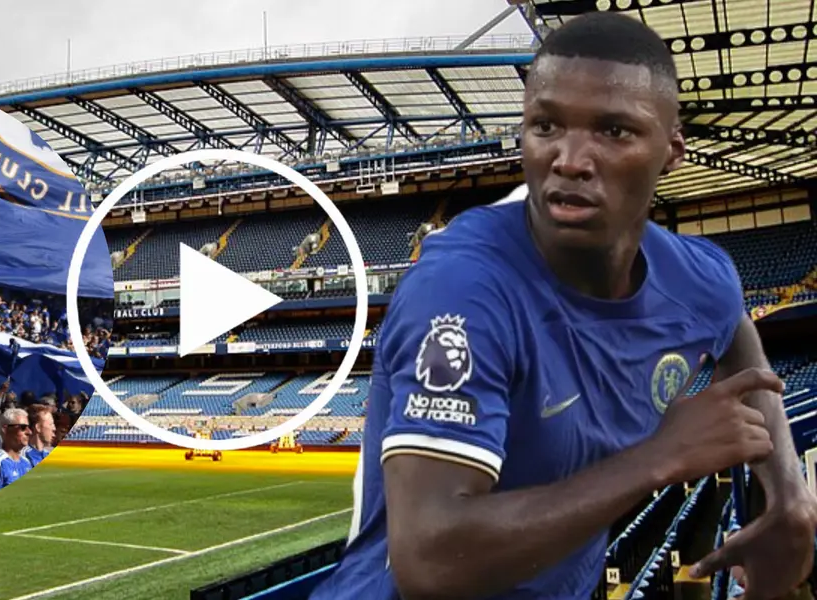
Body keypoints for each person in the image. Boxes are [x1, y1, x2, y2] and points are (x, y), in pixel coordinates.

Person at [311, 12, 817, 600]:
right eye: (546, 125)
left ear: (671, 150)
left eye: (615, 131)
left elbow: (737, 338)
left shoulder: (697, 274)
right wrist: (659, 458)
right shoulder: (462, 289)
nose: (570, 159)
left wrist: (788, 494)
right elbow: (431, 560)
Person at [0, 408, 32, 497]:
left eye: (29, 427)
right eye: (23, 427)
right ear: (5, 429)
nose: (29, 432)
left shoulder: (26, 462)